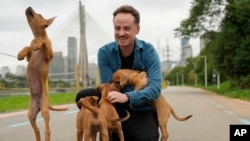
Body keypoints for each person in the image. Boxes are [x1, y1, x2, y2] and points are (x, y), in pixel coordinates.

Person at [75, 5, 162, 141]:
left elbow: (155, 88)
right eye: (117, 28)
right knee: (83, 96)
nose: (121, 33)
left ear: (137, 29)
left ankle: (124, 128)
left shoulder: (148, 51)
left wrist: (128, 96)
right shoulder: (104, 52)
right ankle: (104, 125)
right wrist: (139, 84)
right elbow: (108, 86)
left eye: (127, 28)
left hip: (140, 106)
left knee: (147, 138)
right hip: (114, 104)